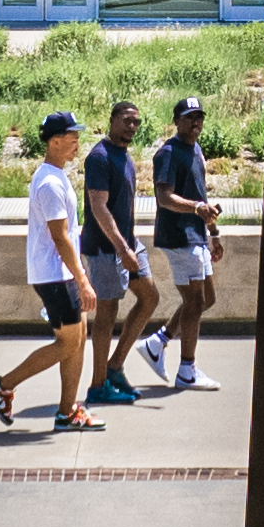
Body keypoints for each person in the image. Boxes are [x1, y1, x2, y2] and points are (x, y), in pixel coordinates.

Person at [0, 113, 103, 433]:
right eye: (72, 137)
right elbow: (59, 235)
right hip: (54, 276)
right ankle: (3, 385)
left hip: (60, 274)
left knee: (76, 341)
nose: (77, 141)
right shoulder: (50, 182)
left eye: (78, 135)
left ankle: (67, 413)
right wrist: (82, 278)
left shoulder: (55, 176)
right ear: (54, 142)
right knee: (68, 344)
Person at [77, 99, 159, 406]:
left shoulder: (124, 156)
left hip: (126, 243)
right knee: (107, 315)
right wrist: (122, 249)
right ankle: (98, 386)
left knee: (149, 297)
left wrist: (128, 246)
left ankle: (114, 367)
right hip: (105, 249)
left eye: (136, 122)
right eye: (127, 120)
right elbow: (98, 206)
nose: (132, 126)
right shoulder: (99, 157)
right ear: (112, 120)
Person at [140, 96, 224, 392]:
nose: (196, 122)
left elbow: (200, 195)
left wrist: (213, 233)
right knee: (195, 301)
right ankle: (187, 370)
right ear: (176, 121)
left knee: (206, 299)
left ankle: (157, 342)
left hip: (197, 235)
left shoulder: (196, 150)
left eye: (199, 116)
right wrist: (196, 210)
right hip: (178, 236)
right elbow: (164, 197)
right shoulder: (168, 153)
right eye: (189, 117)